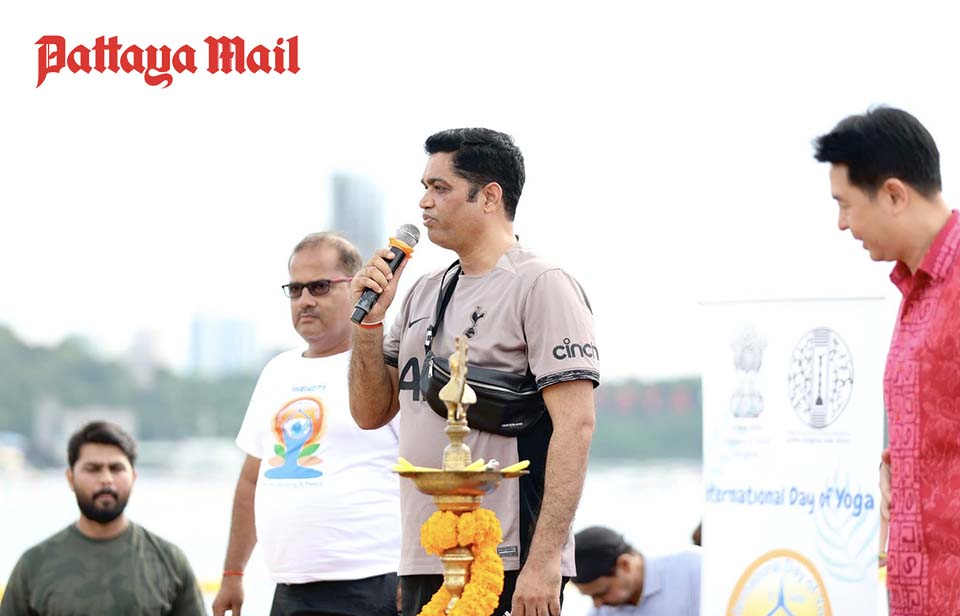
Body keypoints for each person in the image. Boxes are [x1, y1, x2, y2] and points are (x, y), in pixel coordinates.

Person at [349, 128, 599, 616]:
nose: (423, 202)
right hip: (428, 550)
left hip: (506, 554)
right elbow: (369, 412)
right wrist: (369, 323)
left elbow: (577, 426)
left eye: (440, 188)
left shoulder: (541, 284)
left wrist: (545, 560)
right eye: (424, 187)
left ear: (489, 197)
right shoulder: (423, 290)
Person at [814, 106, 960, 615]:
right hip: (917, 593)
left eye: (846, 205)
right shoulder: (915, 291)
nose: (841, 224)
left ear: (894, 194)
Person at [212, 233, 401, 616]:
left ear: (357, 286)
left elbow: (425, 473)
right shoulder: (277, 371)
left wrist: (418, 573)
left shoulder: (386, 364)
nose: (305, 300)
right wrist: (233, 573)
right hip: (290, 589)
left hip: (374, 581)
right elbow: (251, 479)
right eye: (295, 290)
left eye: (320, 286)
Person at [0, 421, 206, 615]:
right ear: (70, 478)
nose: (106, 479)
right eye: (93, 469)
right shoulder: (34, 565)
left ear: (133, 477)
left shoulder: (169, 562)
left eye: (116, 468)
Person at [571, 526, 700, 616]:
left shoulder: (693, 566)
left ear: (625, 564)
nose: (597, 604)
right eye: (591, 596)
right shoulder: (603, 610)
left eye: (601, 593)